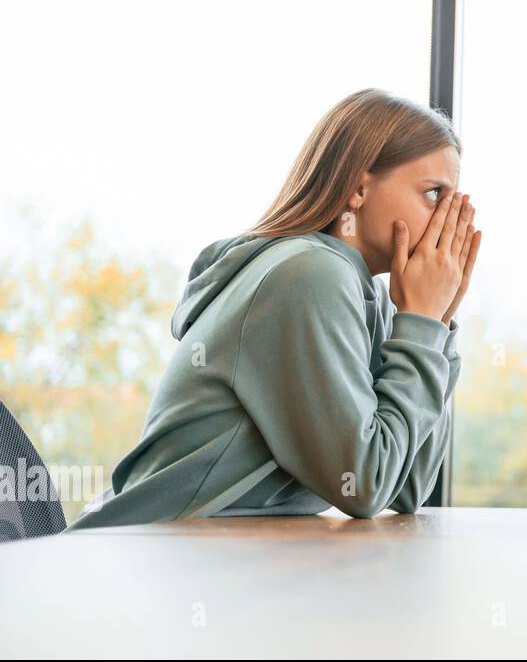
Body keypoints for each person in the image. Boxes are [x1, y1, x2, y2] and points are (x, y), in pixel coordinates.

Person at [66, 88, 481, 530]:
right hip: (141, 556)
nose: (448, 219)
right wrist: (419, 326)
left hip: (203, 558)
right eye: (434, 194)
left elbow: (405, 487)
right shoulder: (311, 274)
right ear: (359, 188)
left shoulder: (369, 296)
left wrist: (434, 325)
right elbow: (363, 485)